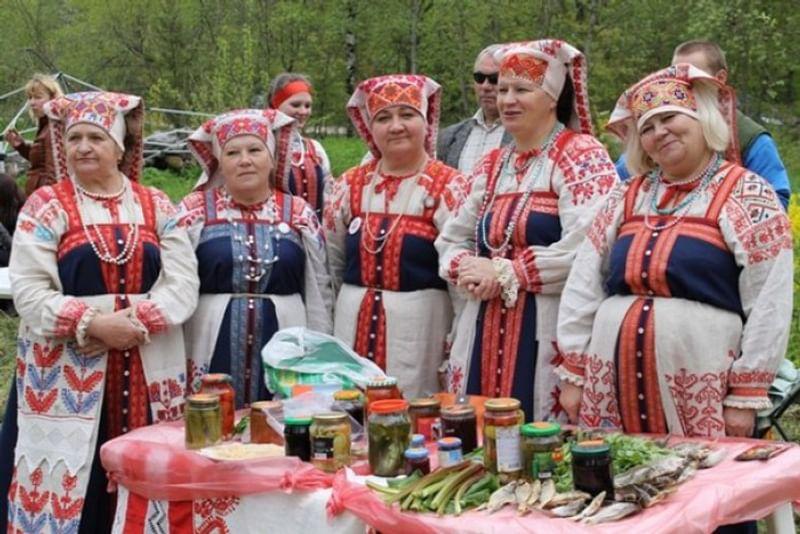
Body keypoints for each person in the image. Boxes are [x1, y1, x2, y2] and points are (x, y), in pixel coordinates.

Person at [556, 64, 792, 440]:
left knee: (705, 487)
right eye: (646, 127)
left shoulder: (747, 193)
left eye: (669, 118)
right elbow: (584, 283)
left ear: (702, 119)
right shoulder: (625, 195)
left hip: (703, 381)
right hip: (611, 379)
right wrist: (575, 370)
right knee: (618, 482)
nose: (659, 132)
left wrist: (746, 394)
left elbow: (769, 300)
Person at [2, 91, 199, 533]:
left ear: (120, 146)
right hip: (68, 367)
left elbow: (183, 281)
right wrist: (92, 323)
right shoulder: (46, 205)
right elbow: (29, 290)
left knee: (146, 476)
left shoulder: (157, 204)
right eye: (74, 138)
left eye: (96, 137)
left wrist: (139, 322)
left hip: (148, 362)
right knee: (73, 486)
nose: (84, 147)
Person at [435, 40, 617, 420]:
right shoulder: (492, 164)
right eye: (502, 90)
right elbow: (452, 237)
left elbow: (589, 248)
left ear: (551, 97)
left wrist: (505, 272)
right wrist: (467, 269)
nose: (507, 100)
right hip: (481, 325)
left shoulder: (581, 155)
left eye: (521, 90)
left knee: (540, 443)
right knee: (476, 435)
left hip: (549, 325)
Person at [324, 74, 470, 398]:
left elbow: (460, 278)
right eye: (383, 118)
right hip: (352, 321)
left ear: (426, 122)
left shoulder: (449, 185)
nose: (396, 126)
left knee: (413, 413)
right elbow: (332, 261)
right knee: (349, 413)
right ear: (370, 128)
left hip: (421, 328)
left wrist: (457, 341)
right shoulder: (349, 185)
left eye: (407, 115)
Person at [179, 108, 333, 405]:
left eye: (254, 150)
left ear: (272, 158)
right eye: (232, 152)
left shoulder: (298, 211)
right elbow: (174, 278)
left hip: (286, 333)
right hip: (208, 335)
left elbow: (319, 288)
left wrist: (318, 347)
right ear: (219, 162)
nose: (245, 160)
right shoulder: (194, 210)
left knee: (282, 422)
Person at [615, 40, 791, 210]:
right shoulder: (656, 132)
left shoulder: (749, 137)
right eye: (674, 76)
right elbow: (620, 178)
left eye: (693, 78)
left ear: (720, 78)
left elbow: (777, 199)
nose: (682, 84)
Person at [437, 44, 512, 174]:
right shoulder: (449, 137)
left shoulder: (528, 134)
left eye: (494, 79)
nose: (485, 86)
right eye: (479, 78)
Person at [268, 73, 332, 221]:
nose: (303, 111)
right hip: (277, 233)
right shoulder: (263, 146)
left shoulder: (314, 149)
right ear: (276, 105)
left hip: (314, 232)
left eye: (307, 106)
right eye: (295, 105)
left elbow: (328, 194)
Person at [4, 73, 63, 195]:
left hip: (45, 198)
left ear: (53, 99)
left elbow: (55, 174)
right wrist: (21, 146)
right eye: (30, 97)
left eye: (38, 97)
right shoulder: (45, 126)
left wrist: (45, 202)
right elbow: (40, 161)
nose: (32, 103)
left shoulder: (55, 128)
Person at [0, 173, 25, 267]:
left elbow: (16, 247)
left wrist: (1, 230)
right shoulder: (4, 208)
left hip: (18, 254)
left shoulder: (22, 213)